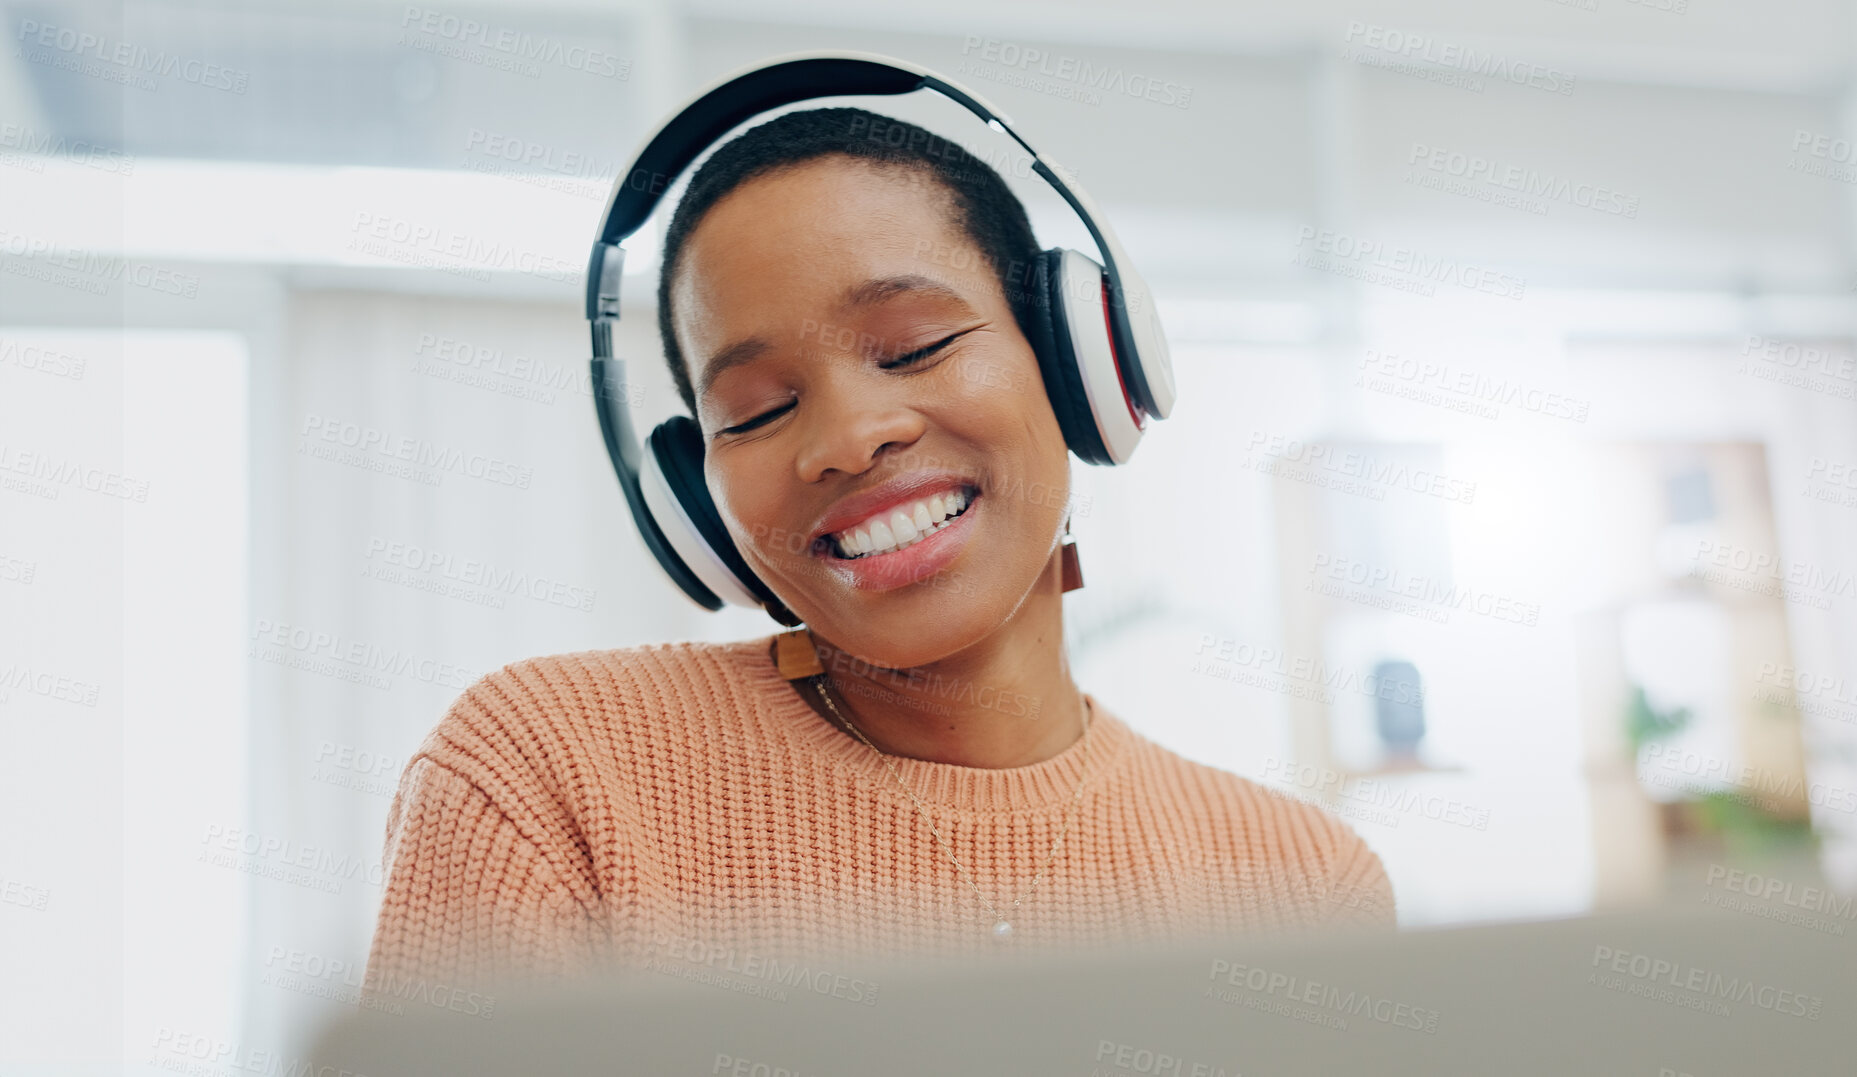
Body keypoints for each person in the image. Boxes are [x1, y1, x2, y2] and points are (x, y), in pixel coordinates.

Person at [361, 105, 1394, 1003]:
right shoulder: (552, 773)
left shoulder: (1300, 883)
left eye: (914, 347)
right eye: (758, 410)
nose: (851, 438)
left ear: (1080, 363)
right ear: (696, 501)